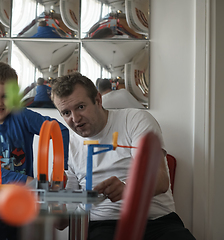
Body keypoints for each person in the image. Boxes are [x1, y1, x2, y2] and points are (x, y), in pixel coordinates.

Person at [51, 72, 195, 240]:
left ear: (98, 100)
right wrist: (49, 200)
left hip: (156, 222)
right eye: (66, 113)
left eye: (81, 107)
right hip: (103, 225)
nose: (75, 118)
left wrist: (129, 188)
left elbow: (161, 179)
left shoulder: (134, 120)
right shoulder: (66, 145)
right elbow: (62, 222)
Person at [0, 61, 69, 240]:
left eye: (5, 96)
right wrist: (27, 181)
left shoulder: (22, 116)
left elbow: (61, 131)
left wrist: (61, 171)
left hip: (20, 208)